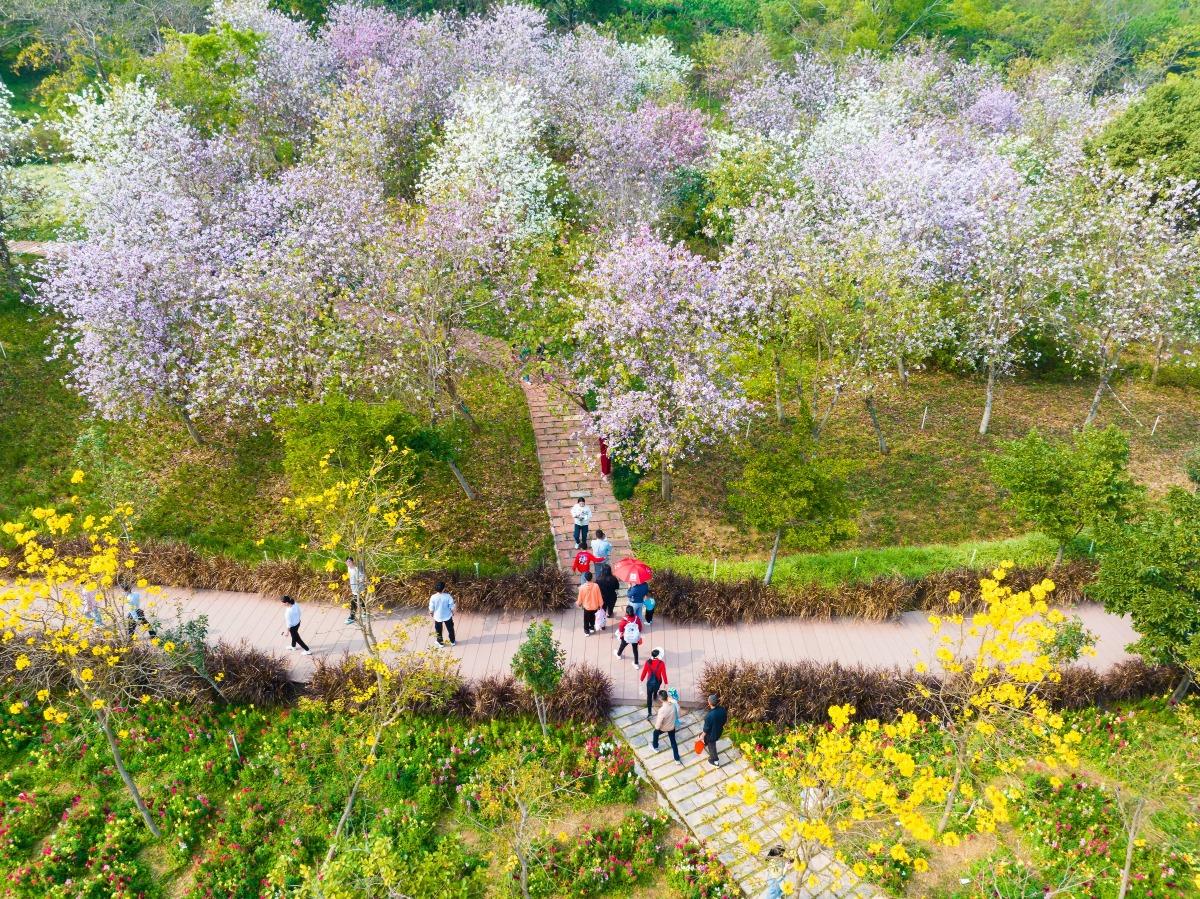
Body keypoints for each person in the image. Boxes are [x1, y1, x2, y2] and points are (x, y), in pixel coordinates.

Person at [651, 688, 682, 763]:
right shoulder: (673, 705)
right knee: (673, 742)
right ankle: (677, 759)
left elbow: (658, 724)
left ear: (660, 699)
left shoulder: (662, 710)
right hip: (672, 727)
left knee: (655, 733)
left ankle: (655, 747)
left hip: (664, 728)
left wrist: (657, 728)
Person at [639, 648, 668, 719]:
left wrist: (641, 679)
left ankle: (649, 713)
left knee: (649, 697)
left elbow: (644, 672)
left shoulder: (648, 662)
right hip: (658, 681)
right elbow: (664, 674)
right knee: (656, 690)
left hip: (649, 683)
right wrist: (666, 683)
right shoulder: (661, 663)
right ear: (658, 656)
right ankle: (655, 696)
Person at [702, 693, 728, 767]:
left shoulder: (709, 716)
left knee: (712, 746)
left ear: (709, 703)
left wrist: (701, 736)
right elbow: (724, 720)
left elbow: (706, 729)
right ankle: (705, 742)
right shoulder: (722, 710)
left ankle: (715, 761)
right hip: (719, 730)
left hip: (712, 735)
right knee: (706, 739)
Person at [429, 581, 456, 646]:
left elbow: (431, 607)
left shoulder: (433, 597)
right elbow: (451, 606)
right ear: (444, 589)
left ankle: (440, 642)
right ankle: (452, 641)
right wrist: (453, 612)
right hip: (447, 615)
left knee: (438, 630)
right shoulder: (448, 596)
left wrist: (431, 613)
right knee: (450, 629)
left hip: (438, 616)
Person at [345, 556, 365, 625]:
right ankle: (365, 612)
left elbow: (362, 577)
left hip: (359, 588)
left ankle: (352, 617)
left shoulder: (357, 569)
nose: (348, 563)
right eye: (347, 562)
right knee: (361, 601)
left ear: (353, 562)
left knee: (353, 602)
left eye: (349, 561)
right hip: (353, 588)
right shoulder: (348, 568)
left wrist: (360, 580)